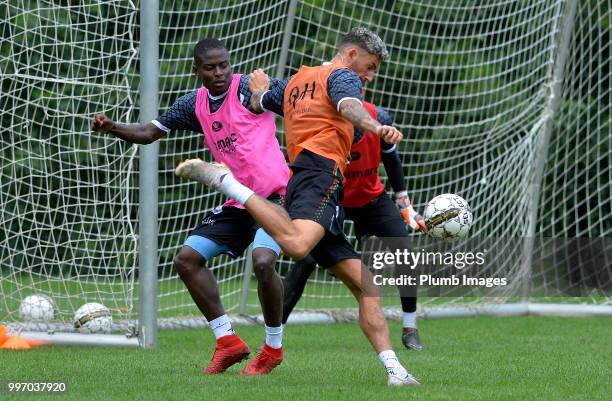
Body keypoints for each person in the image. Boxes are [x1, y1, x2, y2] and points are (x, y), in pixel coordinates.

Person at [175, 28, 420, 386]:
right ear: (351, 56)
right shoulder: (341, 77)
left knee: (366, 284)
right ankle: (227, 183)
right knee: (298, 246)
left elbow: (260, 103)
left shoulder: (297, 81)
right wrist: (376, 126)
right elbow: (349, 107)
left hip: (316, 181)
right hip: (319, 175)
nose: (369, 76)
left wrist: (260, 92)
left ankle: (395, 370)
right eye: (370, 67)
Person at [91, 38, 289, 376]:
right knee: (186, 260)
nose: (219, 72)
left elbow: (293, 99)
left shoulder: (246, 89)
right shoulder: (192, 104)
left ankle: (272, 348)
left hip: (275, 198)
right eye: (210, 67)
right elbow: (148, 131)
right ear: (196, 70)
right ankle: (227, 342)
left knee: (263, 261)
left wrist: (271, 91)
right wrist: (112, 128)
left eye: (223, 65)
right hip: (238, 202)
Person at [282, 98, 426, 351]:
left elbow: (391, 160)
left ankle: (410, 327)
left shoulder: (379, 118)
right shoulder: (317, 125)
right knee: (304, 261)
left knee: (404, 250)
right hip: (332, 199)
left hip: (372, 200)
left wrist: (407, 207)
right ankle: (274, 334)